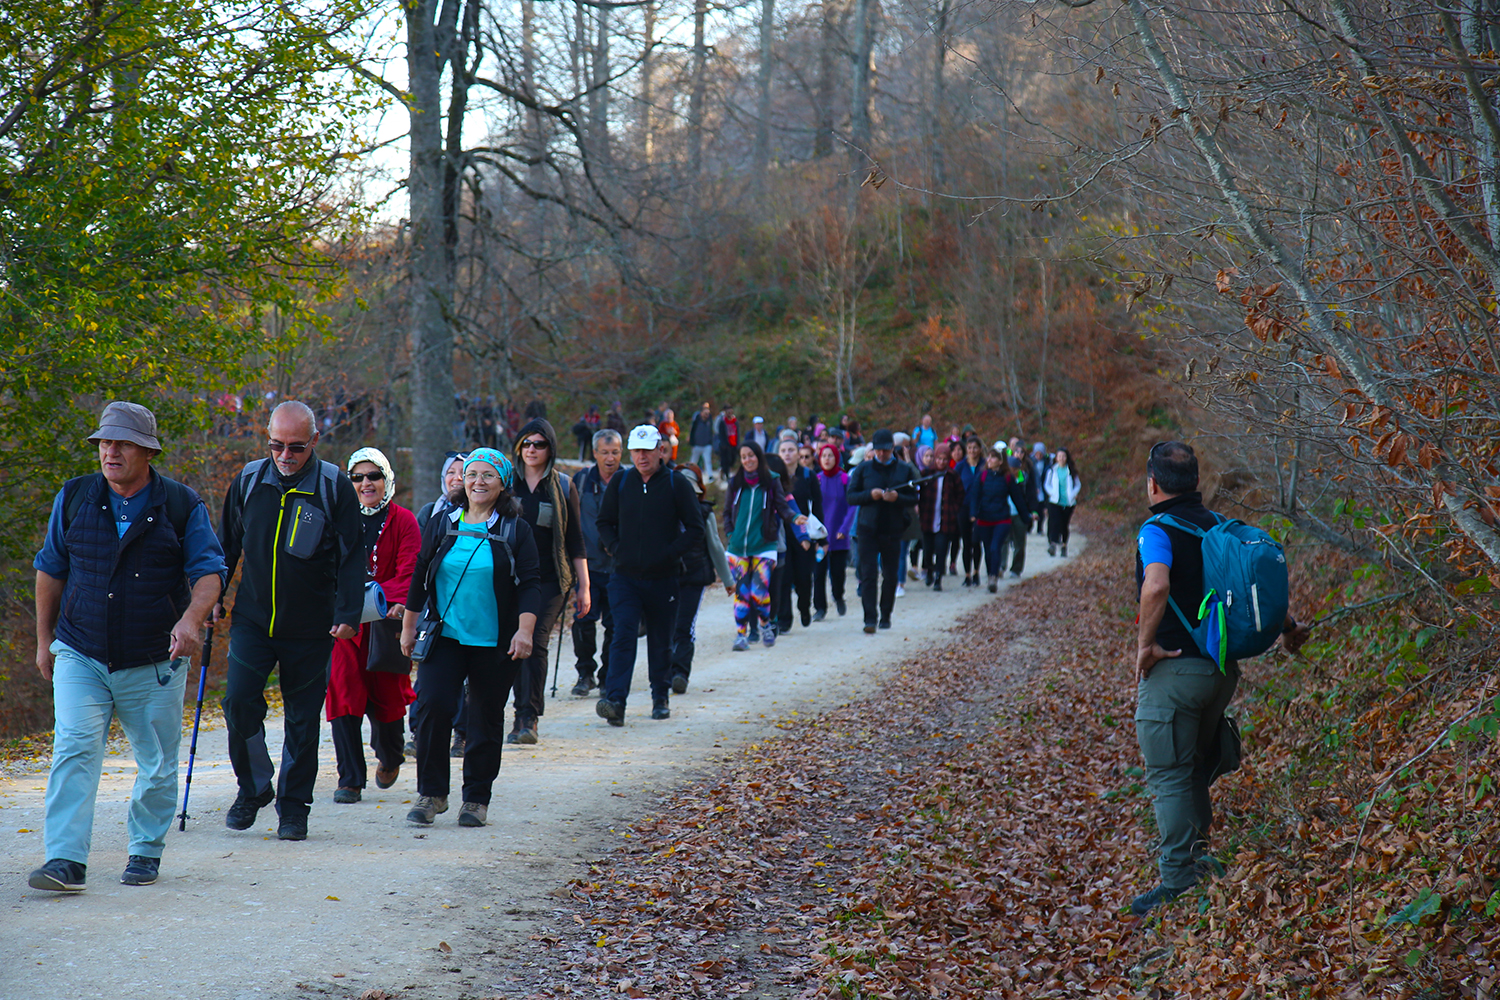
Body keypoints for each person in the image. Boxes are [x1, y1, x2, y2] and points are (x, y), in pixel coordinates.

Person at [28, 402, 226, 893]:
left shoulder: (181, 505)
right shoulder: (73, 497)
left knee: (156, 760)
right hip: (80, 650)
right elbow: (50, 571)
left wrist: (190, 618)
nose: (109, 451)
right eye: (103, 443)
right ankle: (65, 861)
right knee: (73, 748)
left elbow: (209, 573)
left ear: (147, 451)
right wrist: (43, 640)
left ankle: (145, 849)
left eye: (122, 443)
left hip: (154, 658)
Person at [1131, 441, 1310, 914]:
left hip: (1175, 673)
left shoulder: (1156, 530)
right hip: (1220, 674)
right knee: (1190, 767)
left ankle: (1176, 881)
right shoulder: (1216, 526)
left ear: (1153, 483)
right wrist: (1288, 629)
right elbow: (1246, 587)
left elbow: (1156, 584)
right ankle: (1196, 859)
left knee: (1168, 774)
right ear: (1196, 482)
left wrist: (1145, 645)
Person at [217, 401, 364, 842]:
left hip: (311, 626)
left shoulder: (334, 485)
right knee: (239, 703)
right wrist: (211, 598)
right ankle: (254, 788)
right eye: (276, 445)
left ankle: (294, 807)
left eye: (296, 447)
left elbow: (353, 556)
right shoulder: (248, 480)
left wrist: (347, 613)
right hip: (253, 620)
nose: (285, 455)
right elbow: (224, 547)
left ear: (314, 441)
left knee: (302, 719)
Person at [400, 449, 540, 827]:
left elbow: (530, 584)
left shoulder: (515, 530)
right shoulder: (442, 522)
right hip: (445, 633)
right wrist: (409, 628)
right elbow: (420, 575)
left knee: (485, 717)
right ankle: (432, 793)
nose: (478, 481)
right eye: (472, 474)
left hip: (495, 640)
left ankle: (476, 799)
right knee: (431, 707)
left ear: (502, 483)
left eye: (488, 475)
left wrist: (524, 632)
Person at [594, 425, 704, 724]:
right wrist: (616, 547)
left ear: (660, 451)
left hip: (664, 577)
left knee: (660, 639)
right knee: (623, 634)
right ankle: (616, 700)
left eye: (647, 450)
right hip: (625, 576)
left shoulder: (675, 483)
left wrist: (669, 553)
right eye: (636, 451)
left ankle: (660, 696)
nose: (642, 457)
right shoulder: (621, 481)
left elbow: (696, 529)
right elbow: (604, 521)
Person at [327, 448, 418, 804]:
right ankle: (349, 778)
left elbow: (410, 572)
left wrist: (382, 599)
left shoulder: (404, 521)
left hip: (386, 623)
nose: (366, 483)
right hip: (346, 625)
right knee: (343, 693)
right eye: (358, 477)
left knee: (388, 699)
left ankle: (391, 755)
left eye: (373, 476)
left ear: (386, 479)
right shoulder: (338, 519)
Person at [508, 419, 589, 744]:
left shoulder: (562, 485)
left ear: (550, 449)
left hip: (551, 579)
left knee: (535, 642)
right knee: (510, 644)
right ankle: (509, 712)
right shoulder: (505, 483)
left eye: (539, 444)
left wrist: (584, 586)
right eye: (526, 443)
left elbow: (576, 540)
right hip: (510, 578)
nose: (531, 449)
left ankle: (527, 718)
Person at [723, 441, 794, 650]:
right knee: (742, 593)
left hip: (764, 546)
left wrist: (795, 518)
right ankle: (741, 636)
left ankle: (765, 625)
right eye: (744, 457)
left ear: (759, 457)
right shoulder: (735, 483)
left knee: (759, 591)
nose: (747, 460)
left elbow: (782, 506)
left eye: (751, 456)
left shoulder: (771, 481)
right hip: (738, 548)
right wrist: (730, 533)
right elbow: (727, 512)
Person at [846, 429, 918, 633]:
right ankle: (870, 618)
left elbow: (914, 498)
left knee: (890, 574)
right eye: (877, 450)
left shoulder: (904, 470)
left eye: (885, 451)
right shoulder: (864, 469)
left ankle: (885, 614)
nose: (881, 454)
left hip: (893, 529)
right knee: (868, 574)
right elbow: (851, 496)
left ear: (892, 450)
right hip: (867, 528)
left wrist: (898, 498)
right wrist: (871, 494)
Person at [670, 463, 732, 693]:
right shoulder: (662, 511)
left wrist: (727, 580)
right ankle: (666, 671)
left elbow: (715, 546)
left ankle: (680, 673)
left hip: (694, 577)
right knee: (667, 626)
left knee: (684, 625)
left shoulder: (704, 513)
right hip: (666, 575)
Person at [569, 428, 621, 696]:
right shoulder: (581, 480)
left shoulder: (628, 480)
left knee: (616, 626)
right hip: (587, 567)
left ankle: (608, 676)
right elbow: (570, 519)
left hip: (619, 568)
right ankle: (585, 674)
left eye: (614, 453)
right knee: (583, 622)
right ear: (595, 454)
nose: (609, 458)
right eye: (604, 453)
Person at [774, 438, 821, 632]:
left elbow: (817, 508)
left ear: (798, 453)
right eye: (783, 450)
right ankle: (784, 619)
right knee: (784, 577)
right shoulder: (774, 478)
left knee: (803, 576)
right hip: (781, 533)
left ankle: (804, 606)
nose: (787, 454)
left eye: (791, 450)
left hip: (804, 534)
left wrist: (819, 538)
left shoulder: (809, 476)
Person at [968, 448, 1023, 592]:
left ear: (1000, 461)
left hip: (1002, 518)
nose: (989, 460)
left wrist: (1026, 516)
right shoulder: (982, 476)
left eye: (993, 458)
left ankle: (993, 578)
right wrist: (973, 513)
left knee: (995, 547)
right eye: (989, 458)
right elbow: (975, 496)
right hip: (984, 518)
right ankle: (990, 573)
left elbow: (1018, 498)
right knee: (987, 550)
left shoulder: (1007, 478)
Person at [812, 443, 854, 619]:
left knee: (837, 573)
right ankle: (820, 608)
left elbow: (852, 506)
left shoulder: (845, 479)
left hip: (839, 535)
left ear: (836, 458)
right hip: (820, 537)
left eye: (830, 455)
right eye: (824, 456)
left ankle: (838, 597)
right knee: (819, 572)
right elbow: (811, 507)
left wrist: (844, 528)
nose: (827, 459)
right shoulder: (816, 480)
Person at [917, 440, 964, 591]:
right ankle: (929, 570)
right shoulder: (927, 474)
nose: (941, 462)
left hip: (945, 519)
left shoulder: (952, 475)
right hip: (928, 517)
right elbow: (918, 492)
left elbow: (960, 494)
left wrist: (954, 509)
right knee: (928, 549)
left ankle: (938, 578)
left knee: (941, 549)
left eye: (944, 459)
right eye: (939, 459)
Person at [955, 437, 984, 587]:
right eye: (970, 448)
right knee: (966, 542)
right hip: (963, 507)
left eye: (975, 447)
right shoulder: (960, 467)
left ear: (980, 449)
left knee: (976, 541)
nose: (972, 451)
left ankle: (976, 572)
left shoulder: (984, 465)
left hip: (980, 508)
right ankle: (967, 574)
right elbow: (953, 485)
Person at [1045, 448, 1082, 557]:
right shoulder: (1052, 470)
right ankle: (1053, 543)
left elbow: (1078, 484)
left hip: (1068, 502)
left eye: (1063, 456)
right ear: (1056, 458)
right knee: (1054, 522)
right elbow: (1047, 484)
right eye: (1059, 456)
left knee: (1064, 524)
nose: (1061, 458)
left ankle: (1064, 545)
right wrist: (1051, 493)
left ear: (1067, 458)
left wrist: (1074, 494)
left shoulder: (1071, 471)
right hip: (1055, 501)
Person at [417, 453, 466, 531]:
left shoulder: (483, 512)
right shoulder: (429, 511)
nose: (458, 478)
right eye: (451, 472)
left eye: (464, 473)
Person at [1004, 453, 1034, 578]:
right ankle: (1001, 565)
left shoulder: (1025, 480)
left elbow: (1031, 496)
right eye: (1010, 469)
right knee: (1003, 542)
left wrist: (1032, 512)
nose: (1012, 471)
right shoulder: (1002, 480)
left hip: (1020, 515)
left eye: (1015, 469)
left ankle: (1016, 569)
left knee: (1019, 543)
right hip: (1004, 514)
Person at [688, 402, 716, 474]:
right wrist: (692, 442)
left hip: (706, 445)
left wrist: (711, 442)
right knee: (693, 461)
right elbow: (692, 430)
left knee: (708, 461)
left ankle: (710, 475)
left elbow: (711, 432)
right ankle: (689, 474)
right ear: (701, 413)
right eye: (705, 413)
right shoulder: (696, 419)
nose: (707, 415)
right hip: (697, 445)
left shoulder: (709, 421)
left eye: (708, 414)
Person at [1031, 442, 1051, 535]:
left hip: (1043, 488)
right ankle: (1029, 526)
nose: (1038, 456)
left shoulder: (1047, 461)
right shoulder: (1030, 461)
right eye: (1037, 453)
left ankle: (1040, 528)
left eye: (1040, 453)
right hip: (1033, 487)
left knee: (1041, 508)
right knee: (1032, 507)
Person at [714, 403, 739, 479]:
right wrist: (723, 444)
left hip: (733, 443)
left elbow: (737, 432)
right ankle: (726, 474)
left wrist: (738, 443)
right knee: (725, 460)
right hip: (725, 445)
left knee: (732, 459)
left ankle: (725, 472)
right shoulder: (722, 421)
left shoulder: (735, 421)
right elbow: (719, 433)